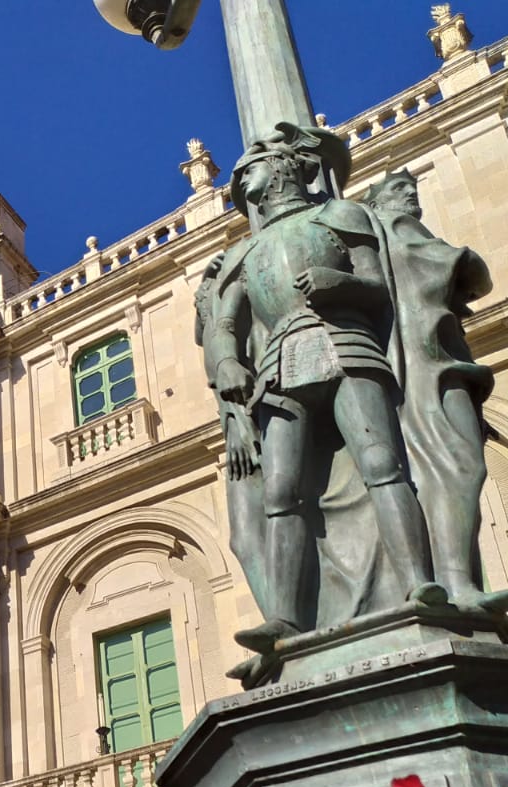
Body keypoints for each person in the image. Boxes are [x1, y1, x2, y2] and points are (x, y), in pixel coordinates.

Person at [202, 124, 444, 653]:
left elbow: (380, 285)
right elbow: (223, 324)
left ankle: (418, 583)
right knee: (279, 493)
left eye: (249, 169)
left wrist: (342, 284)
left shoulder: (339, 216)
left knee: (381, 464)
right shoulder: (243, 253)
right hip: (278, 366)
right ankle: (285, 619)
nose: (241, 180)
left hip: (345, 344)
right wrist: (227, 363)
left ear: (283, 167)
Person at [363, 170, 508, 613]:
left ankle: (454, 583)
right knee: (459, 466)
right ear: (376, 202)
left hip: (428, 362)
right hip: (426, 365)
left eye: (412, 188)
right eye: (398, 189)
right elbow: (471, 271)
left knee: (444, 471)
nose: (409, 195)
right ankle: (457, 584)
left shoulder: (383, 232)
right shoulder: (394, 226)